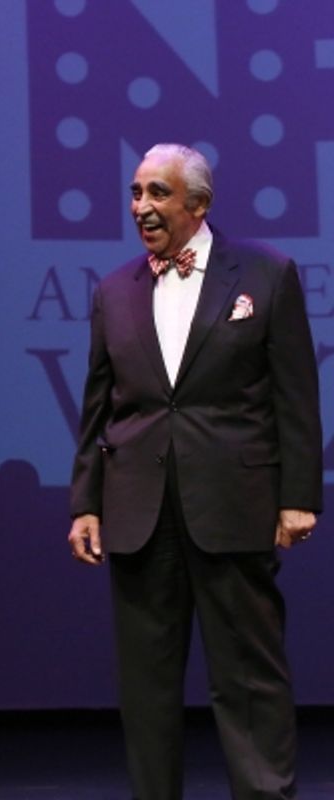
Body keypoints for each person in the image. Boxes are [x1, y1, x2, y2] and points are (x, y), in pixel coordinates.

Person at [67, 143, 322, 799]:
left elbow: (295, 395)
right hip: (138, 512)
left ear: (198, 204)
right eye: (136, 192)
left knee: (248, 677)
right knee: (147, 685)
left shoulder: (266, 274)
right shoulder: (113, 291)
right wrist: (85, 504)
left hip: (234, 504)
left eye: (157, 193)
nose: (141, 207)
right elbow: (99, 407)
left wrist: (299, 497)